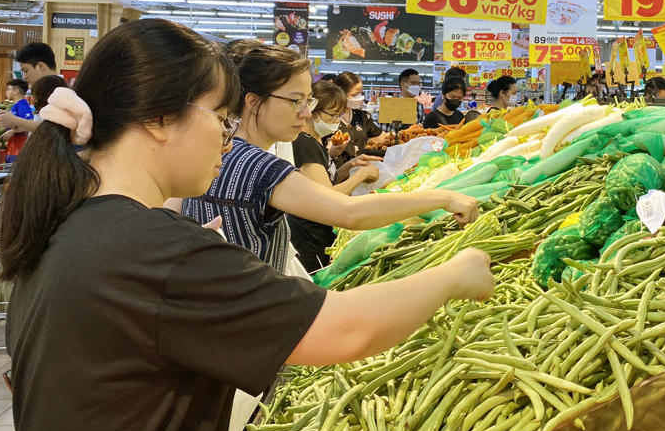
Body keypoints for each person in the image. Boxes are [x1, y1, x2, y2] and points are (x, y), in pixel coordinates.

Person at [0, 18, 494, 431]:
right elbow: (347, 329)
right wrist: (455, 274)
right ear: (157, 118)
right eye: (220, 118)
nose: (225, 137)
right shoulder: (154, 249)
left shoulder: (63, 223)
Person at [180, 45, 479, 273]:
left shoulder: (216, 153)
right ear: (254, 101)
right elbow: (348, 212)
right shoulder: (259, 166)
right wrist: (442, 198)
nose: (307, 113)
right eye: (295, 101)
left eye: (308, 101)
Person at [288, 80, 383, 272]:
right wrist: (360, 175)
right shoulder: (304, 144)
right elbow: (327, 196)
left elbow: (325, 179)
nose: (337, 121)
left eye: (339, 114)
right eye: (332, 115)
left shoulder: (316, 140)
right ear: (313, 112)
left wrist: (349, 166)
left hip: (322, 229)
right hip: (311, 236)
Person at [0, 42, 58, 134]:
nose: (25, 76)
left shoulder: (59, 93)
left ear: (40, 66)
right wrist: (22, 127)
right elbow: (42, 123)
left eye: (26, 70)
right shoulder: (46, 90)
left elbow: (52, 128)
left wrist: (16, 121)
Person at [333, 71, 388, 165]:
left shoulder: (362, 116)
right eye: (354, 95)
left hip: (359, 169)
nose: (359, 98)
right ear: (340, 93)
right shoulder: (328, 117)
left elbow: (380, 137)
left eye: (360, 93)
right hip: (336, 172)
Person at [380, 68, 426, 133]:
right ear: (403, 84)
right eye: (414, 83)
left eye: (419, 84)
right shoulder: (389, 105)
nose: (417, 87)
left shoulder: (419, 106)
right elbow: (383, 132)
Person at [0, 78, 34, 163]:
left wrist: (12, 131)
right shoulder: (15, 105)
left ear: (16, 91)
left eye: (8, 89)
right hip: (13, 149)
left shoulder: (22, 105)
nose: (6, 92)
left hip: (19, 150)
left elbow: (30, 124)